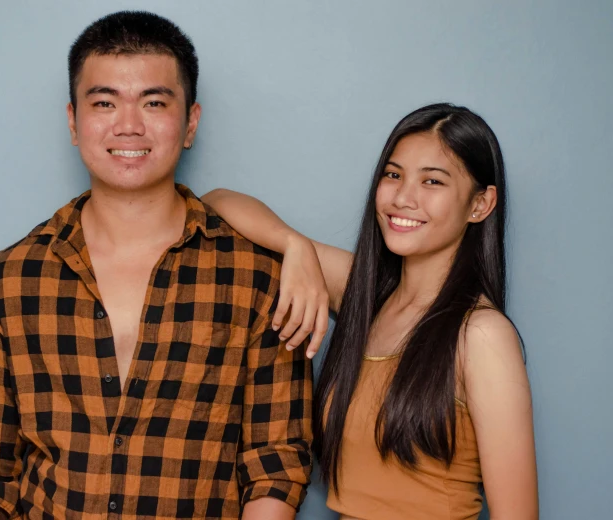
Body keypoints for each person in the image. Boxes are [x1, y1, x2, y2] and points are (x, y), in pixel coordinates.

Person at [0, 11, 312, 519]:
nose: (129, 125)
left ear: (191, 122)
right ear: (73, 122)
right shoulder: (13, 280)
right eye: (105, 102)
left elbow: (276, 462)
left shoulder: (256, 277)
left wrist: (298, 247)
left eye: (154, 102)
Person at [203, 103, 538, 519]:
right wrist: (294, 244)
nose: (403, 197)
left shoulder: (482, 335)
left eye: (432, 181)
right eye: (393, 175)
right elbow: (216, 203)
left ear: (480, 205)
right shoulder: (364, 298)